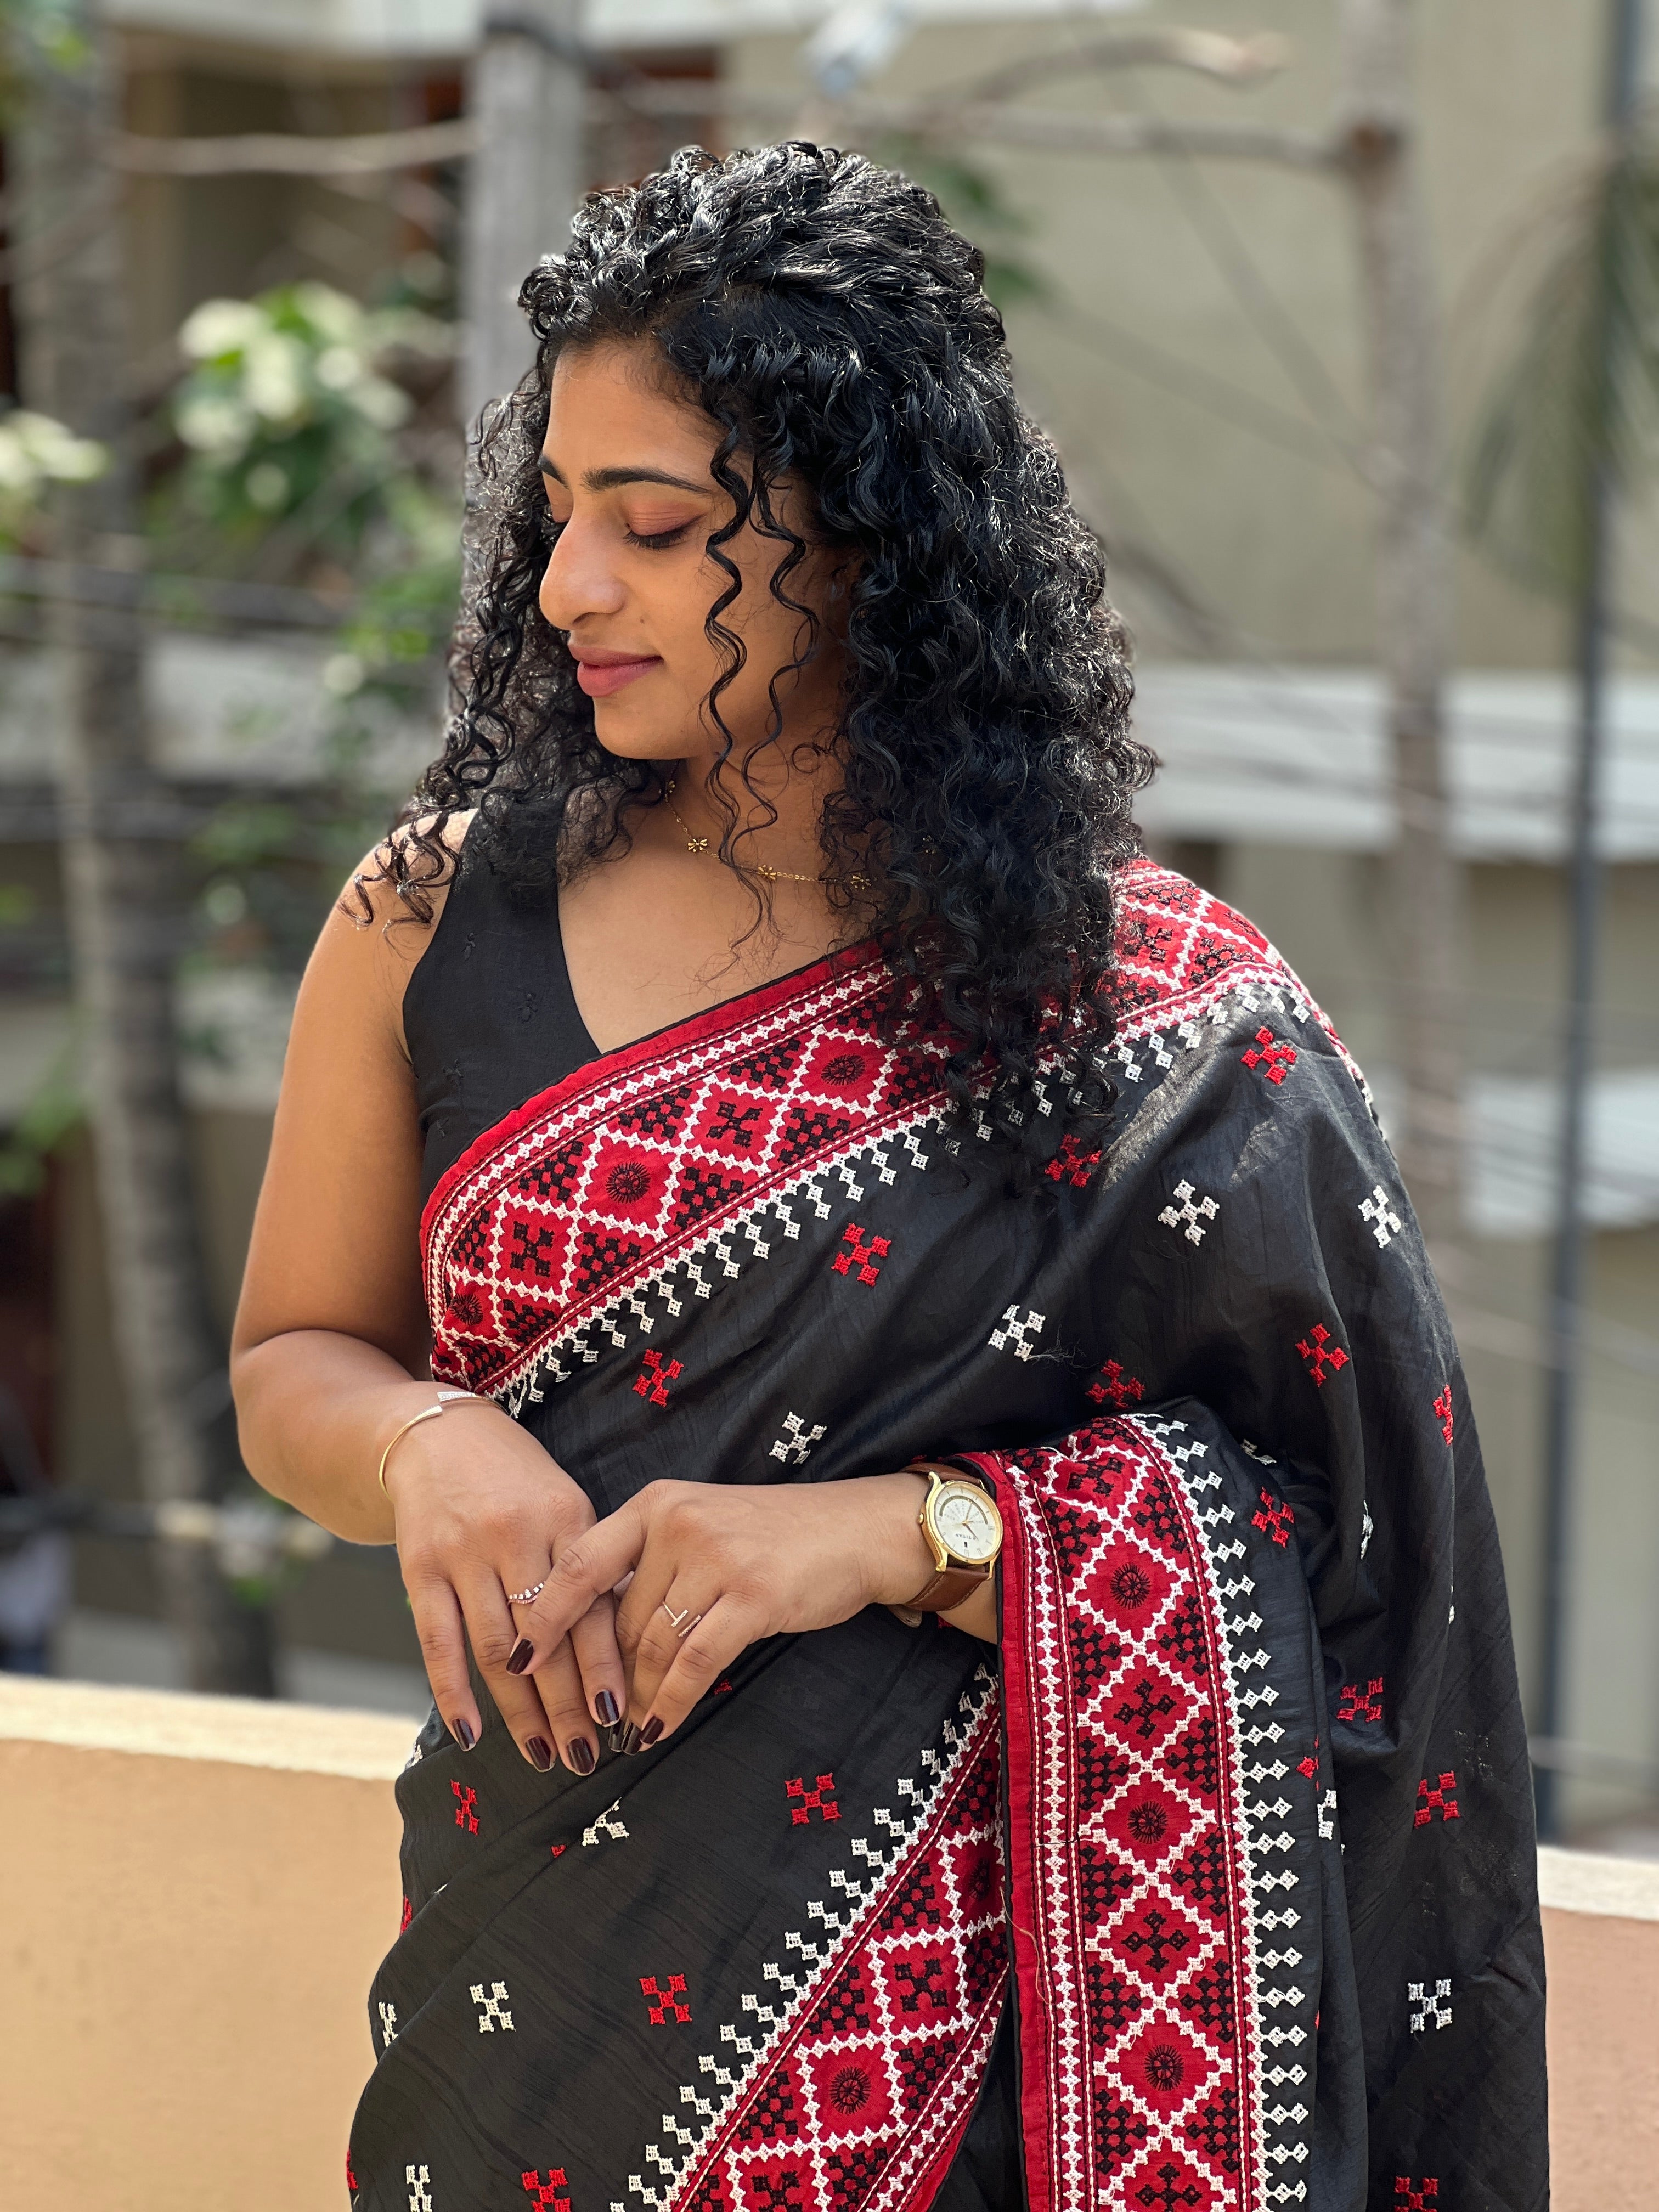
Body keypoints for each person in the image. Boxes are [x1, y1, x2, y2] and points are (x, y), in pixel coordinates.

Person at [232, 143, 1547, 2212]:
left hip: (1014, 2089)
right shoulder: (431, 919)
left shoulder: (1153, 1018)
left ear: (864, 543)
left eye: (658, 525)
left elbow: (1356, 1548)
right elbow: (294, 1358)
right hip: (534, 2023)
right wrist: (421, 1447)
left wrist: (896, 1536)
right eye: (556, 510)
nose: (569, 586)